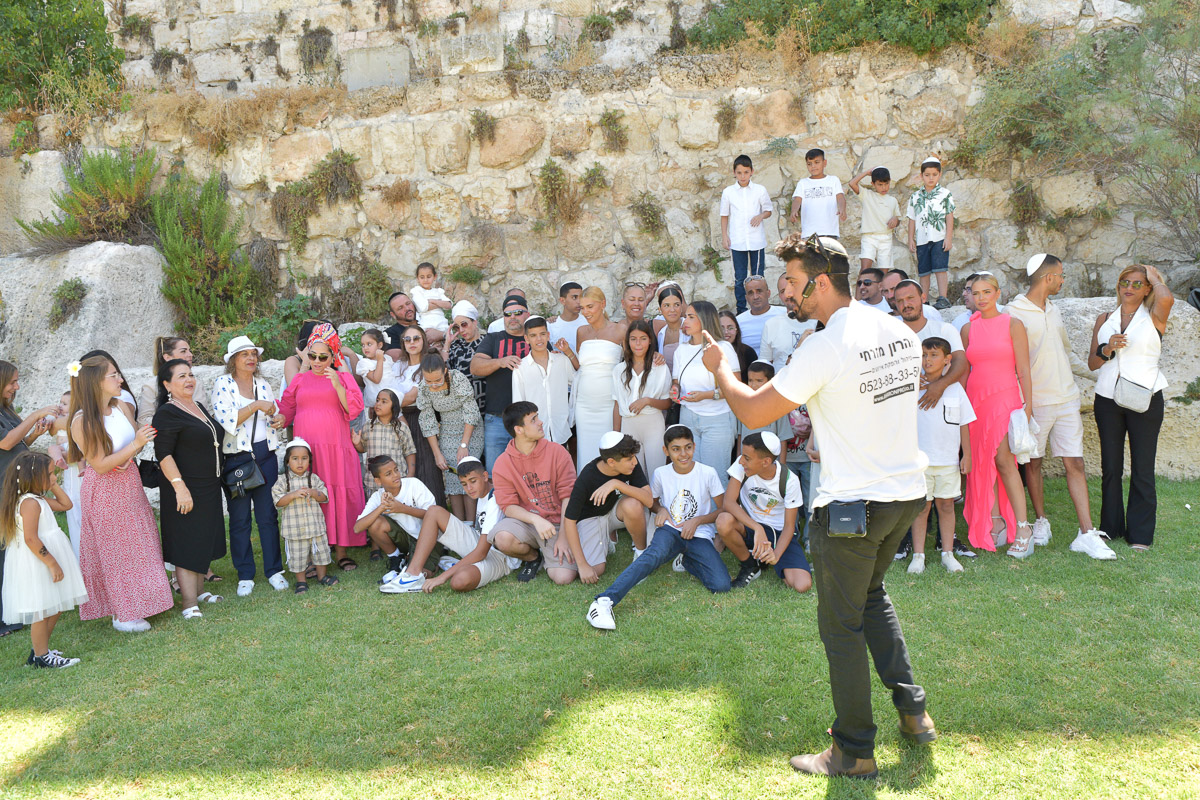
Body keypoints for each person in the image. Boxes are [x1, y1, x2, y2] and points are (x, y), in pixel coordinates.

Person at [702, 232, 935, 779]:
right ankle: (914, 713)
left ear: (821, 283)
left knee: (840, 627)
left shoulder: (825, 346)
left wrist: (721, 369)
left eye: (792, 281)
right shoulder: (897, 330)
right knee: (871, 597)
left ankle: (853, 750)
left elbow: (754, 413)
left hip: (854, 506)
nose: (785, 290)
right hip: (905, 495)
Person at [1007, 254, 1115, 560]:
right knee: (1033, 463)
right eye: (1061, 275)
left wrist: (1099, 374)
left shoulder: (1053, 310)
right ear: (1048, 278)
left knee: (1075, 463)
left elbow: (1066, 354)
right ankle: (1041, 520)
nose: (1063, 280)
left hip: (1067, 399)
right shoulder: (1013, 312)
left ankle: (1086, 533)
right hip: (1035, 403)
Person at [585, 425, 730, 631]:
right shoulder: (661, 473)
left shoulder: (708, 473)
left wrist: (698, 521)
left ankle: (686, 559)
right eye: (676, 449)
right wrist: (660, 509)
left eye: (688, 447)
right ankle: (604, 601)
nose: (683, 454)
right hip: (670, 530)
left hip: (699, 534)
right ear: (666, 451)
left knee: (721, 585)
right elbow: (651, 502)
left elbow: (723, 508)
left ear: (694, 447)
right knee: (651, 557)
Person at [70, 355, 173, 633]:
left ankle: (142, 601)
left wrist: (135, 448)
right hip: (104, 490)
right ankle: (122, 613)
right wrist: (133, 448)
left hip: (129, 481)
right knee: (115, 551)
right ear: (96, 381)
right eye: (113, 375)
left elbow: (136, 439)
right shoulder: (82, 420)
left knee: (139, 542)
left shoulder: (121, 406)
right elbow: (100, 465)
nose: (120, 379)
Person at [1089, 264, 1174, 552]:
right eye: (1125, 282)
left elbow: (1166, 298)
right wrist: (1107, 349)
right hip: (1107, 399)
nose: (1129, 287)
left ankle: (1140, 535)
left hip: (1145, 397)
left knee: (1143, 468)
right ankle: (1110, 528)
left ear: (1148, 288)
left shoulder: (1155, 316)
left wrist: (1155, 276)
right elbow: (1093, 362)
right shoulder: (1105, 319)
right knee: (1110, 467)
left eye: (1138, 283)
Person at [277, 324, 367, 571]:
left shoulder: (343, 377)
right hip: (308, 451)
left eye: (323, 357)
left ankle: (341, 551)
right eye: (312, 356)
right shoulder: (300, 379)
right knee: (309, 495)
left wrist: (337, 384)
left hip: (336, 447)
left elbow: (354, 409)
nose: (317, 361)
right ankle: (310, 555)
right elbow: (287, 408)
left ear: (333, 355)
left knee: (337, 493)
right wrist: (278, 417)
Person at [960, 273, 1035, 556]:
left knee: (1004, 460)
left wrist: (1028, 406)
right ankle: (996, 521)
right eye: (976, 292)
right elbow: (965, 372)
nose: (981, 298)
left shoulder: (1013, 324)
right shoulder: (968, 329)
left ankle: (1024, 528)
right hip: (976, 402)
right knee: (982, 461)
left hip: (1005, 400)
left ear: (998, 293)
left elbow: (1023, 369)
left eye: (986, 292)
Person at [210, 336, 288, 595]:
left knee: (268, 516)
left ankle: (274, 571)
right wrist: (255, 406)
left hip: (266, 454)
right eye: (245, 354)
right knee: (240, 518)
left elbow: (271, 414)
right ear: (233, 360)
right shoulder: (223, 384)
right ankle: (245, 575)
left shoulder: (262, 384)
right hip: (237, 458)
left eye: (254, 354)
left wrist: (278, 419)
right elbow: (228, 420)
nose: (251, 358)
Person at [153, 360, 227, 618]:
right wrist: (179, 487)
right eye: (182, 376)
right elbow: (163, 454)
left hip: (207, 485)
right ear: (167, 384)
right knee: (186, 542)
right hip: (185, 486)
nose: (189, 380)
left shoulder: (197, 406)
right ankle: (188, 603)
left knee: (201, 538)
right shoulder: (167, 413)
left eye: (191, 375)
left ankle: (199, 592)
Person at [1, 451, 88, 667]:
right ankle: (41, 656)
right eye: (49, 474)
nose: (54, 477)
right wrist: (51, 562)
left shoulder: (37, 498)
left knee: (55, 604)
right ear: (33, 477)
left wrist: (52, 484)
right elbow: (31, 538)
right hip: (38, 562)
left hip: (47, 557)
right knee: (43, 609)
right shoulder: (29, 503)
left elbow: (66, 505)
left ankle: (40, 650)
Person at [386, 457, 516, 593]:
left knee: (459, 581)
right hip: (478, 542)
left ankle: (461, 566)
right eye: (464, 484)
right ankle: (412, 574)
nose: (469, 488)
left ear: (484, 476)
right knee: (433, 511)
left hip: (499, 558)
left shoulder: (494, 499)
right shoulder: (481, 493)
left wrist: (442, 578)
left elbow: (481, 552)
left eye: (473, 481)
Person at [487, 402, 577, 584]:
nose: (541, 422)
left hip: (558, 523)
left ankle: (554, 550)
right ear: (519, 430)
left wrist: (564, 536)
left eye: (538, 417)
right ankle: (533, 557)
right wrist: (536, 519)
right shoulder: (503, 463)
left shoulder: (557, 452)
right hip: (527, 523)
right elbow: (508, 506)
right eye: (534, 420)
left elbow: (569, 496)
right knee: (502, 538)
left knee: (563, 578)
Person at [0, 359, 57, 637]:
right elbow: (5, 442)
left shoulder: (6, 410)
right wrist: (35, 415)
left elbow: (15, 447)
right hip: (2, 491)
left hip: (11, 489)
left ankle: (11, 613)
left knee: (11, 550)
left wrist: (33, 435)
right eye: (12, 382)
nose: (17, 387)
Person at [716, 431, 812, 592]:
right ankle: (750, 564)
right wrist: (757, 528)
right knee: (723, 520)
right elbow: (729, 503)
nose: (741, 460)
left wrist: (776, 555)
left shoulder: (789, 480)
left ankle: (766, 557)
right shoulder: (741, 466)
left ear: (766, 461)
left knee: (802, 585)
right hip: (750, 528)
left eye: (747, 458)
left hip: (779, 533)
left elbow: (789, 526)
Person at [910, 338, 975, 574]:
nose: (927, 360)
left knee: (946, 505)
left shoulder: (955, 390)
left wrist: (966, 455)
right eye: (924, 355)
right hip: (920, 462)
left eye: (934, 355)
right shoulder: (912, 388)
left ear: (947, 360)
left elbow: (964, 423)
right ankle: (918, 556)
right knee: (921, 508)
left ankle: (948, 553)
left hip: (948, 461)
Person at [562, 432, 654, 581]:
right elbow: (569, 520)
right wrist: (582, 565)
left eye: (634, 457)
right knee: (595, 570)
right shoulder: (587, 476)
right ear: (611, 462)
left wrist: (616, 484)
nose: (635, 462)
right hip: (591, 518)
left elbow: (649, 501)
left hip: (615, 512)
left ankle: (641, 555)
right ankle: (605, 539)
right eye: (629, 459)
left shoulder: (631, 464)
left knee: (633, 504)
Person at [355, 455, 441, 592]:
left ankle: (434, 561)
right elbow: (357, 527)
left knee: (423, 574)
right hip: (404, 541)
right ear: (378, 481)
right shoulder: (378, 496)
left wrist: (402, 508)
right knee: (375, 522)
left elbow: (435, 515)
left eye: (396, 470)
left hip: (427, 539)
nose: (395, 475)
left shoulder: (413, 484)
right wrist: (381, 507)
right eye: (388, 474)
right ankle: (397, 559)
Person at [674, 302, 739, 484]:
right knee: (691, 475)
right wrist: (675, 391)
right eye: (686, 316)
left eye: (691, 317)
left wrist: (706, 395)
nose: (685, 321)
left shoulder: (723, 347)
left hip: (717, 418)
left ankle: (719, 505)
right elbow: (677, 382)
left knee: (715, 477)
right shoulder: (681, 350)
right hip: (688, 416)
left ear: (704, 319)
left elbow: (735, 386)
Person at [417, 352, 484, 521]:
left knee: (467, 473)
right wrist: (437, 454)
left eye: (437, 380)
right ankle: (459, 524)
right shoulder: (423, 388)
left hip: (470, 429)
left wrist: (464, 445)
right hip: (447, 429)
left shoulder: (457, 379)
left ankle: (472, 524)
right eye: (429, 381)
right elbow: (427, 421)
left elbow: (471, 411)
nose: (433, 385)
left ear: (445, 371)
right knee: (452, 476)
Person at [471, 295, 531, 472]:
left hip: (528, 420)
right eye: (507, 314)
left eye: (518, 312)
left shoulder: (535, 337)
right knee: (495, 474)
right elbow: (475, 367)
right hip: (497, 419)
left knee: (528, 474)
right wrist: (500, 362)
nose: (512, 317)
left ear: (527, 314)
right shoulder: (493, 338)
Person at [272, 438, 337, 594]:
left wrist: (313, 492)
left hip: (315, 528)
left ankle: (322, 576)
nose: (300, 462)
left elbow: (325, 496)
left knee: (321, 553)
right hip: (295, 530)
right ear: (287, 461)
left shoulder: (313, 479)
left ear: (310, 460)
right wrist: (293, 495)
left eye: (304, 458)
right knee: (298, 557)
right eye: (295, 458)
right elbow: (278, 502)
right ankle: (301, 581)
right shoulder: (282, 481)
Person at [393, 324, 446, 510]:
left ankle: (434, 513)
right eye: (407, 339)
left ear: (423, 340)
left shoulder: (428, 364)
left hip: (421, 418)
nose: (412, 342)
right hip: (398, 418)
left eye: (416, 338)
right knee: (404, 467)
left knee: (426, 467)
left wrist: (389, 402)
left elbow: (411, 397)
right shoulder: (398, 366)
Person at [573, 287, 626, 469]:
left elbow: (633, 362)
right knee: (585, 451)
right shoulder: (581, 332)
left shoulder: (620, 330)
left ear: (603, 304)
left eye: (590, 306)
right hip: (584, 405)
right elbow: (580, 367)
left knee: (609, 451)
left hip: (609, 403)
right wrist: (566, 353)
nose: (586, 312)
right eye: (582, 308)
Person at [613, 320, 671, 477]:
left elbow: (667, 402)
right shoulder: (619, 370)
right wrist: (616, 436)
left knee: (656, 472)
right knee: (633, 474)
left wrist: (647, 401)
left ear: (650, 340)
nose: (638, 344)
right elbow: (617, 404)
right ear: (628, 341)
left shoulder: (660, 367)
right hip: (628, 425)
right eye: (633, 339)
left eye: (643, 338)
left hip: (653, 424)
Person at [720, 154, 773, 313]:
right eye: (739, 172)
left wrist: (760, 216)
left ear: (752, 172)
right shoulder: (728, 192)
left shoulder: (760, 190)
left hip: (756, 241)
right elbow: (724, 215)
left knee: (758, 277)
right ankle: (741, 311)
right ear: (734, 173)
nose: (743, 176)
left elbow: (768, 210)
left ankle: (759, 308)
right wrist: (724, 236)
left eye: (746, 172)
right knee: (740, 278)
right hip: (737, 242)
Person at [512, 316, 577, 446]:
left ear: (548, 335)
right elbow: (518, 404)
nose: (539, 339)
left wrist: (571, 413)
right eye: (533, 335)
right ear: (526, 339)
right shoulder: (520, 368)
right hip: (534, 435)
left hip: (561, 430)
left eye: (542, 334)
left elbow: (577, 384)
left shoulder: (562, 361)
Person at [906, 156, 956, 310]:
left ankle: (943, 298)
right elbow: (912, 219)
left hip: (939, 238)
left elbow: (949, 216)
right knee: (924, 271)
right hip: (922, 239)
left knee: (941, 268)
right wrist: (910, 239)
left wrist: (948, 238)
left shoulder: (945, 194)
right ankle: (924, 300)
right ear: (922, 176)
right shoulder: (915, 197)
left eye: (934, 174)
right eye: (927, 175)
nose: (931, 178)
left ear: (939, 174)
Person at [137, 337, 209, 425]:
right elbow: (143, 420)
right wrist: (173, 425)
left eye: (189, 351)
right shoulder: (152, 386)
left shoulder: (195, 383)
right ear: (167, 357)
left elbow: (203, 415)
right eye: (183, 351)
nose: (190, 354)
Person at [354, 388, 416, 479]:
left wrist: (410, 474)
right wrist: (357, 444)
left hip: (397, 480)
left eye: (384, 401)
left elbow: (410, 452)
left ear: (394, 407)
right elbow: (363, 449)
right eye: (377, 400)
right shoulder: (368, 426)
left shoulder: (402, 428)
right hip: (373, 481)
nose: (378, 404)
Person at [848, 166, 902, 272]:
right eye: (880, 184)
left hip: (886, 238)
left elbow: (898, 218)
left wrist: (895, 219)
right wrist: (866, 173)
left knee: (883, 272)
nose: (884, 187)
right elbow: (852, 183)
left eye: (886, 184)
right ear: (873, 184)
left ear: (890, 182)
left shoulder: (893, 200)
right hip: (869, 237)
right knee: (865, 269)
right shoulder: (867, 195)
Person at [759, 275, 816, 372]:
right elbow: (764, 366)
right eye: (783, 291)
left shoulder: (819, 321)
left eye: (792, 288)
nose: (788, 294)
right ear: (779, 296)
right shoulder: (771, 325)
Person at [789, 148, 845, 238]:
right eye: (809, 164)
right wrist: (794, 211)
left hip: (830, 231)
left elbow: (840, 197)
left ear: (824, 163)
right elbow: (797, 200)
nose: (813, 166)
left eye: (817, 162)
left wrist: (842, 209)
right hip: (809, 233)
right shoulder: (803, 183)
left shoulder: (833, 180)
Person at [444, 300, 487, 415]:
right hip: (463, 408)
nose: (461, 330)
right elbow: (444, 369)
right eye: (457, 327)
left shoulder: (488, 341)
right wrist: (447, 342)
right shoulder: (456, 346)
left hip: (488, 403)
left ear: (474, 322)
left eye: (464, 324)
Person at [735, 274, 786, 352]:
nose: (755, 297)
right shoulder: (738, 322)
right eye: (751, 293)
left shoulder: (785, 314)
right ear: (746, 298)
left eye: (759, 291)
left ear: (768, 293)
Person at [356, 329, 401, 408]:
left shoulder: (388, 358)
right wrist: (380, 360)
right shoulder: (364, 363)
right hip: (376, 402)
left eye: (369, 344)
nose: (365, 348)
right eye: (363, 345)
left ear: (379, 345)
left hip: (392, 398)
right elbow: (376, 379)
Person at [410, 262, 451, 345]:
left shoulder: (438, 291)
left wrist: (432, 301)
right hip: (426, 325)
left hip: (441, 323)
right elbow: (423, 307)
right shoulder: (417, 291)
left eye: (429, 277)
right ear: (418, 278)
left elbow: (448, 305)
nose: (425, 280)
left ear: (434, 277)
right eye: (422, 277)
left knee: (447, 343)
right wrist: (440, 303)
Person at [651, 283, 686, 373]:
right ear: (660, 309)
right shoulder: (661, 334)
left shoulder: (690, 328)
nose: (672, 310)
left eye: (676, 305)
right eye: (667, 305)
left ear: (681, 307)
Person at [717, 310, 757, 382]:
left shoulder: (748, 352)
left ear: (737, 330)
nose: (726, 332)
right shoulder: (708, 351)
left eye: (730, 328)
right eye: (721, 328)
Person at [548, 282, 588, 348]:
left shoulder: (588, 323)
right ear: (562, 300)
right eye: (574, 297)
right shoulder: (551, 326)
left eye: (581, 297)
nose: (579, 301)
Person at [383, 292, 419, 360]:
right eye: (400, 308)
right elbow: (397, 357)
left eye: (408, 303)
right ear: (393, 315)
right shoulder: (389, 333)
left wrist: (440, 334)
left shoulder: (428, 321)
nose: (407, 308)